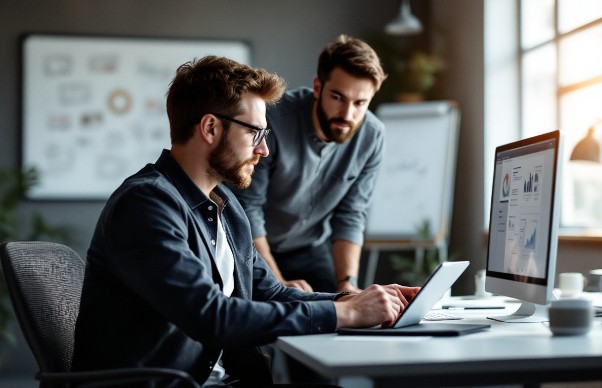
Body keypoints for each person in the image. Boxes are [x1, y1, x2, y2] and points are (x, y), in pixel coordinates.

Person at [71, 55, 418, 387]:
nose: (263, 150)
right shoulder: (146, 205)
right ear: (210, 127)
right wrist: (347, 315)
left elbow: (271, 294)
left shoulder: (226, 206)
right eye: (256, 133)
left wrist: (354, 300)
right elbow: (213, 317)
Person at [232, 34, 387, 295]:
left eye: (360, 103)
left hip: (310, 248)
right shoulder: (273, 121)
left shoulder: (372, 135)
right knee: (268, 316)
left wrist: (347, 284)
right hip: (252, 245)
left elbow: (351, 214)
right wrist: (278, 285)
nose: (347, 114)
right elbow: (249, 209)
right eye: (338, 97)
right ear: (318, 88)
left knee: (344, 307)